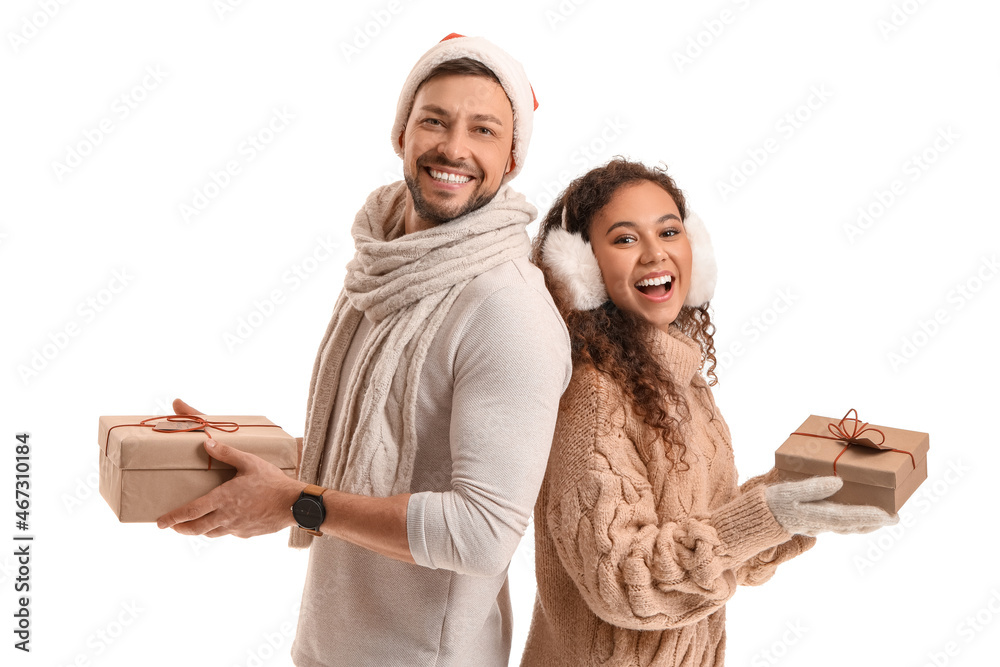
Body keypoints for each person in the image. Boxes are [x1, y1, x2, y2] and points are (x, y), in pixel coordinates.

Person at [157, 34, 572, 667]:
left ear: (512, 158)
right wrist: (240, 457)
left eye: (483, 130)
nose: (453, 147)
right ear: (401, 134)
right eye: (434, 120)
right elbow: (374, 453)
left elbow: (482, 532)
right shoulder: (383, 269)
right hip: (328, 647)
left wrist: (293, 503)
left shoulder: (507, 309)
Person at [519, 158, 895, 666]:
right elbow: (627, 584)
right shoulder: (593, 396)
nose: (656, 254)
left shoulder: (682, 382)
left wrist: (793, 500)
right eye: (626, 239)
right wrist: (769, 515)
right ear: (581, 269)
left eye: (669, 231)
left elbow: (719, 549)